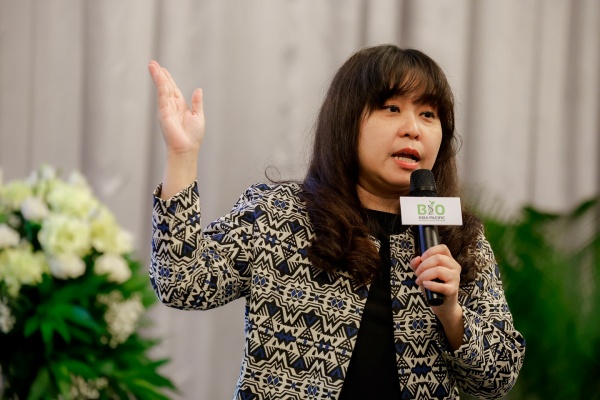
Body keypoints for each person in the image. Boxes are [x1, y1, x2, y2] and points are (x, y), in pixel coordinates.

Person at [148, 44, 525, 400]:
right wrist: (182, 156)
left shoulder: (458, 238)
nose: (413, 128)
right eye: (392, 108)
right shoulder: (280, 215)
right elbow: (183, 284)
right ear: (347, 121)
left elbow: (497, 379)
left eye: (428, 115)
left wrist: (452, 313)